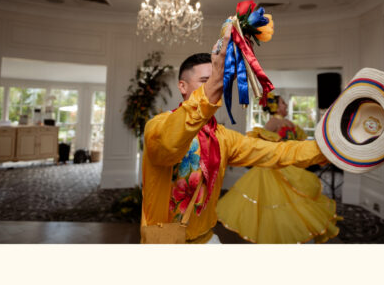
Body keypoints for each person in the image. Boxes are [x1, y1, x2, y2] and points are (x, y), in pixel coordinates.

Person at [140, 26, 328, 244]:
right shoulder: (157, 126)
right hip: (163, 242)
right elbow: (169, 143)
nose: (216, 88)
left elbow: (279, 152)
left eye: (219, 82)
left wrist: (329, 148)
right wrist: (214, 82)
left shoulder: (224, 138)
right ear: (182, 86)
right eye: (205, 81)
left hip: (207, 238)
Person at [216, 93, 341, 243]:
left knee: (295, 201)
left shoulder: (289, 122)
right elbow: (261, 145)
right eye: (283, 103)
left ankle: (292, 229)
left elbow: (298, 142)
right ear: (274, 107)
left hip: (291, 166)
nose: (286, 106)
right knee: (273, 203)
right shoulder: (273, 122)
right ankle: (276, 234)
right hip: (274, 169)